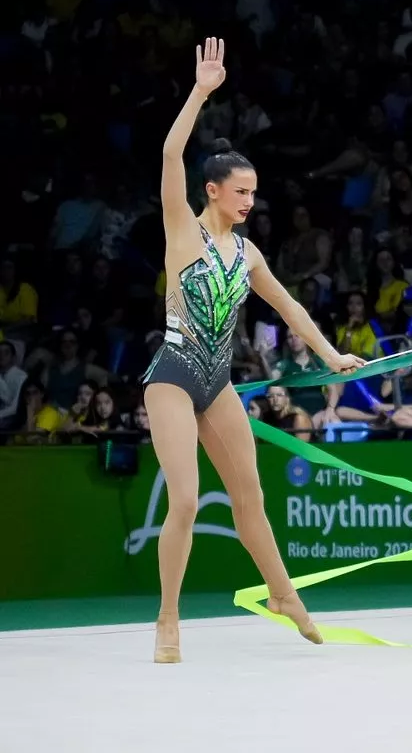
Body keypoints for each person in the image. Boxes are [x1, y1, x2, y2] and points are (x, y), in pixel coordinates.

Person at [145, 39, 366, 662]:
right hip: (172, 373)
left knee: (252, 498)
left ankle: (283, 593)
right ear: (213, 190)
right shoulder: (182, 230)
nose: (249, 202)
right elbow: (169, 152)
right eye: (240, 192)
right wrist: (201, 92)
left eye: (254, 193)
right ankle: (167, 620)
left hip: (216, 380)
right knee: (185, 499)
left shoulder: (249, 255)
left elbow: (290, 309)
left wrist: (328, 355)